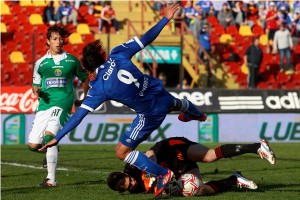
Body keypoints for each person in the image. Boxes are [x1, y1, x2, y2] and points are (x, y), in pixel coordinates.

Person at [39, 4, 207, 197]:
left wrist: (57, 137)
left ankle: (163, 174)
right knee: (177, 103)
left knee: (122, 152)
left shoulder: (98, 88)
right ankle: (198, 113)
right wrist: (165, 18)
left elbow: (79, 117)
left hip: (150, 114)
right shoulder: (118, 53)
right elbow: (146, 39)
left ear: (87, 70)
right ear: (101, 55)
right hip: (160, 93)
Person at [106, 137, 276, 195]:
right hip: (177, 169)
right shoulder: (135, 190)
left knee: (209, 156)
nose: (128, 184)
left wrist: (154, 170)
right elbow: (162, 188)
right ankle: (234, 180)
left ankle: (257, 147)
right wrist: (170, 188)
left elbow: (149, 154)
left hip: (171, 149)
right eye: (123, 187)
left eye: (124, 180)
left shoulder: (130, 167)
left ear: (124, 174)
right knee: (196, 191)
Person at [28, 25, 89, 187]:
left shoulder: (71, 60)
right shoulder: (40, 63)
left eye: (61, 39)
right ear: (48, 41)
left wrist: (84, 97)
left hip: (63, 102)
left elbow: (85, 78)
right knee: (33, 145)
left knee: (50, 137)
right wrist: (37, 90)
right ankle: (52, 150)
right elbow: (35, 84)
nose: (59, 42)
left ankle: (51, 179)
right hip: (44, 104)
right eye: (55, 39)